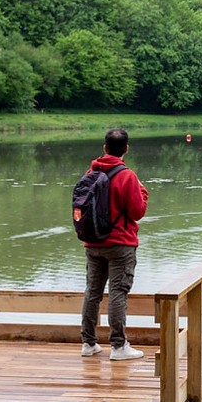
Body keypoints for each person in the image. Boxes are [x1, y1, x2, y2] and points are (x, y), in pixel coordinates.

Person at [80, 128, 149, 360]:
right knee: (118, 292)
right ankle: (118, 347)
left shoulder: (92, 170)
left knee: (92, 292)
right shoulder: (127, 176)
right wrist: (143, 192)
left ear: (104, 148)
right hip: (120, 244)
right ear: (126, 149)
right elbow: (138, 211)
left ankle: (88, 343)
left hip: (92, 242)